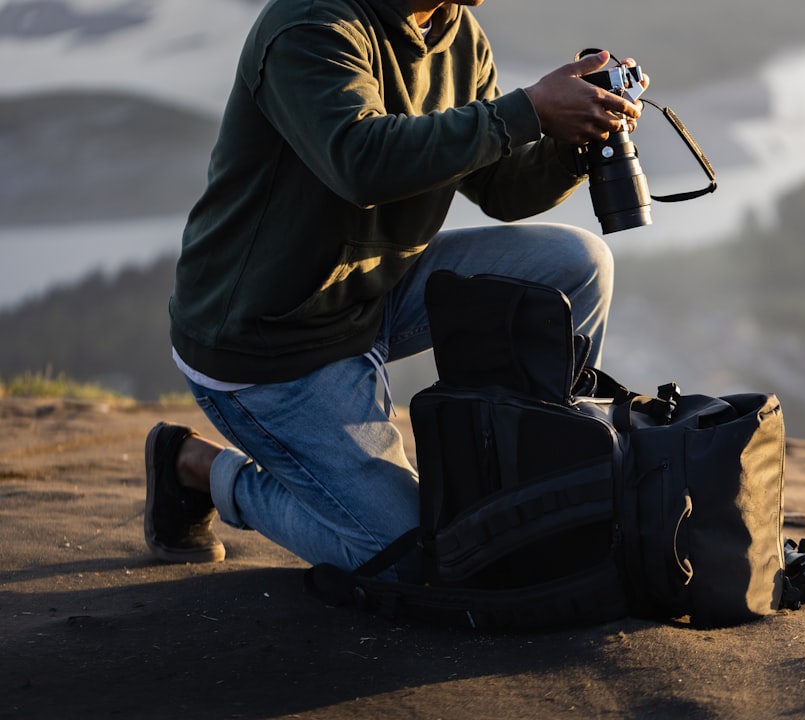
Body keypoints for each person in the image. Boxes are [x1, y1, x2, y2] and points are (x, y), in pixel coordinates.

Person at [143, 0, 646, 581]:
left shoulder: (455, 32)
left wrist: (573, 137)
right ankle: (198, 468)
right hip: (272, 337)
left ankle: (541, 485)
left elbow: (501, 189)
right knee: (412, 559)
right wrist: (529, 110)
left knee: (574, 263)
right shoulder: (310, 25)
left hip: (375, 288)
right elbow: (361, 162)